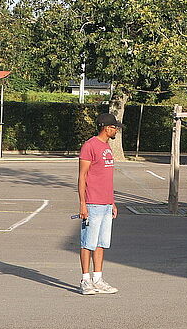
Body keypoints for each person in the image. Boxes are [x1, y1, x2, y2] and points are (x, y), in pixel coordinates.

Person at [77, 113, 121, 295]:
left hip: (106, 203)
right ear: (106, 128)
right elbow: (82, 176)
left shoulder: (107, 147)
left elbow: (106, 178)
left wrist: (112, 201)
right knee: (88, 242)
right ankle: (85, 280)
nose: (116, 130)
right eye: (114, 127)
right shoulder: (89, 146)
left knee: (101, 243)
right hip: (92, 203)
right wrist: (82, 203)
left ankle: (98, 278)